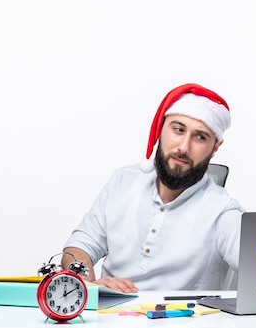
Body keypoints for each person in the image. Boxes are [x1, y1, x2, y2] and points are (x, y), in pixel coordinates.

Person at [61, 83, 244, 293]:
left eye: (200, 137)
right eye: (178, 129)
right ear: (161, 129)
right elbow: (80, 244)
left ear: (215, 148)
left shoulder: (223, 212)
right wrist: (87, 284)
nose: (184, 147)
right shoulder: (122, 182)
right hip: (110, 318)